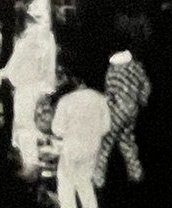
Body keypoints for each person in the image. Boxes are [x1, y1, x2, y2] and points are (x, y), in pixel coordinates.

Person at [0, 3, 57, 176]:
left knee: (25, 125)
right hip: (43, 87)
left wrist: (3, 74)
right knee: (40, 123)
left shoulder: (26, 40)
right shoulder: (48, 37)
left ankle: (31, 164)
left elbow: (15, 67)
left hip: (26, 88)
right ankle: (44, 160)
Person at [52, 75, 112, 208]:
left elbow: (57, 129)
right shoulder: (101, 99)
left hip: (71, 147)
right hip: (92, 147)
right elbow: (106, 127)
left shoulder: (66, 101)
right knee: (85, 183)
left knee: (66, 183)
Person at [94, 49, 150, 187]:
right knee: (127, 140)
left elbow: (109, 93)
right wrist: (141, 100)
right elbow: (146, 86)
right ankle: (136, 172)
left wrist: (107, 108)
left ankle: (98, 178)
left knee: (106, 142)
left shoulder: (113, 71)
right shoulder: (136, 67)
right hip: (133, 109)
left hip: (117, 110)